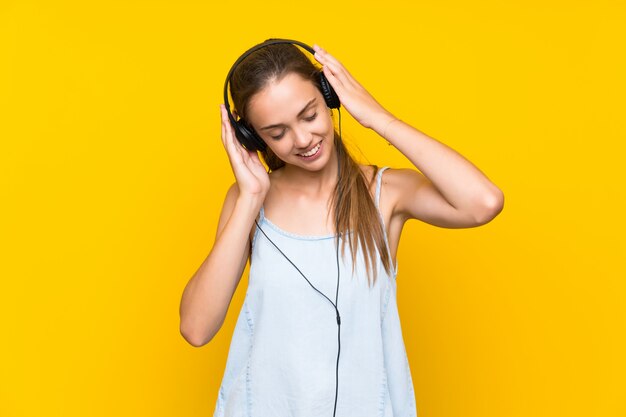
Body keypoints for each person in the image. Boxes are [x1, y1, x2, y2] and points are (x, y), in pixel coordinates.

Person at [179, 39, 504, 417]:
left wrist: (378, 117)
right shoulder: (246, 202)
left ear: (330, 97)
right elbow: (196, 328)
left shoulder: (385, 194)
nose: (302, 140)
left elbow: (484, 202)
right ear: (250, 137)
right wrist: (251, 197)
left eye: (309, 115)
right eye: (277, 132)